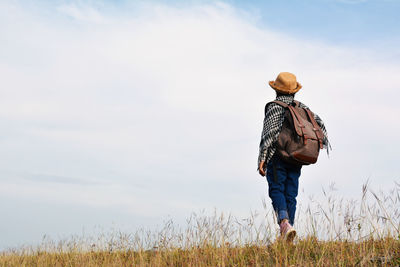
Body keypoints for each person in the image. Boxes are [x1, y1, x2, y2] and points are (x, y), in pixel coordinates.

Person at [257, 72, 330, 242]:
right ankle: (289, 231)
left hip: (278, 157)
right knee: (291, 194)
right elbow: (320, 125)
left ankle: (284, 224)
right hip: (297, 157)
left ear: (276, 90)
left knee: (276, 189)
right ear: (294, 91)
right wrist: (321, 144)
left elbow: (269, 134)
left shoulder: (274, 107)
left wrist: (262, 158)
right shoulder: (303, 107)